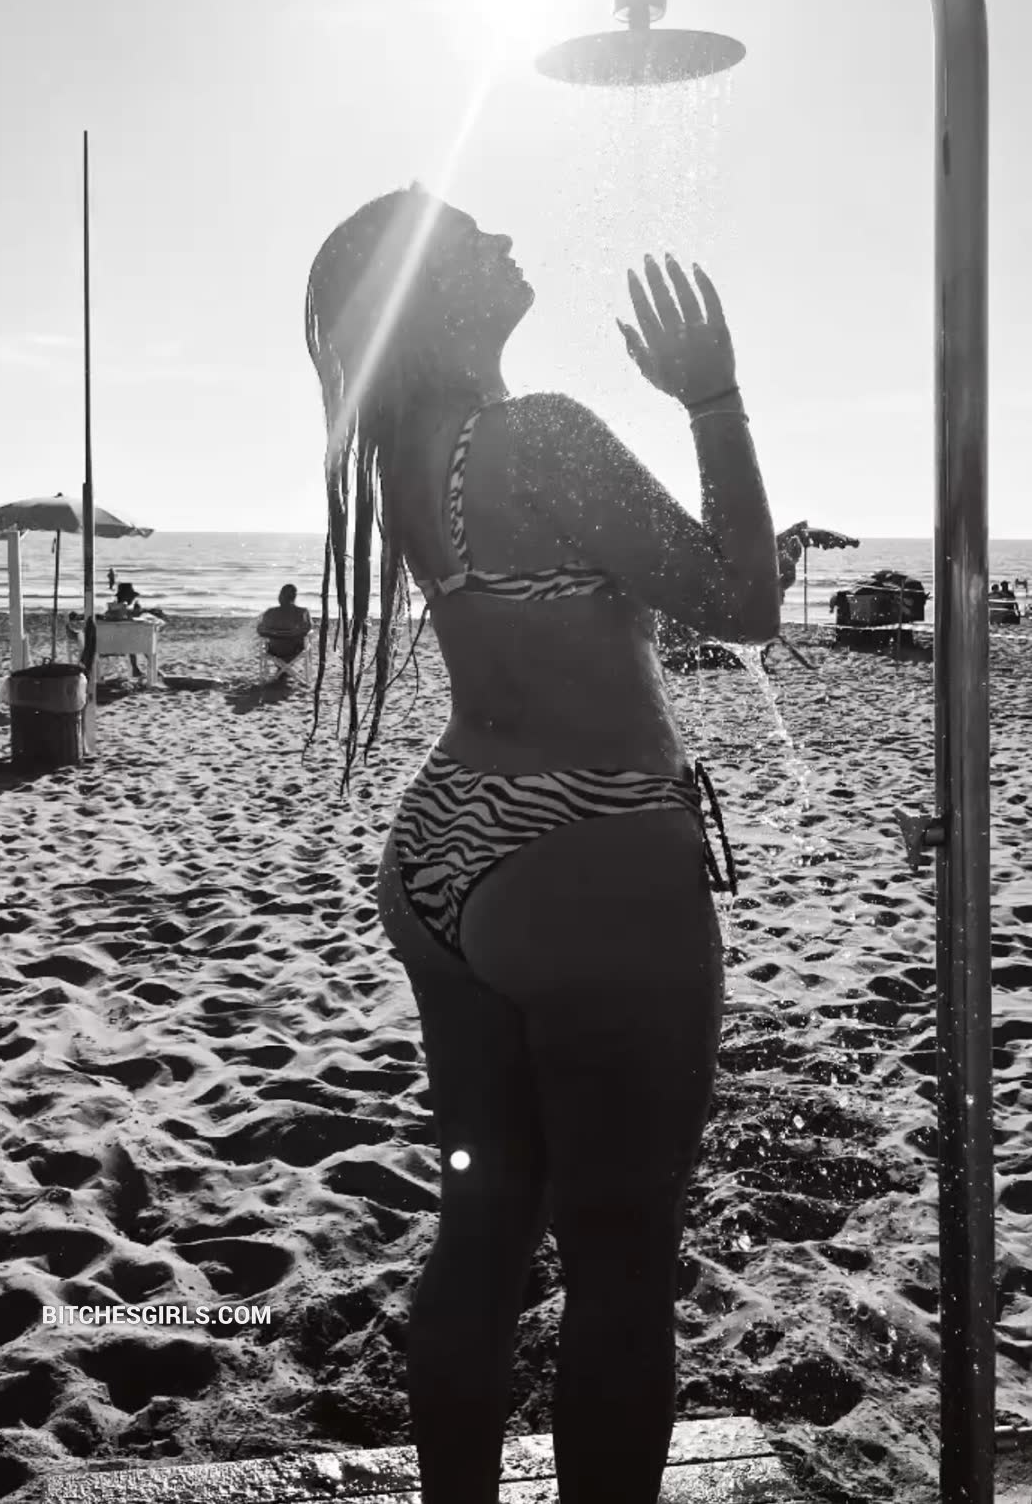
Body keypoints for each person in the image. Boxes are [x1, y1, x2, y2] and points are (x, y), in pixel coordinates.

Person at [305, 186, 779, 1504]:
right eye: (469, 238)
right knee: (621, 1260)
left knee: (484, 1222)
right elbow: (744, 602)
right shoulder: (537, 435)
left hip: (445, 841)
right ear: (424, 297)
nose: (505, 242)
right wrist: (712, 398)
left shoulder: (415, 453)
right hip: (588, 840)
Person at [256, 583, 312, 664]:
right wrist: (290, 634)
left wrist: (276, 634)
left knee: (275, 643)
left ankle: (282, 668)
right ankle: (284, 668)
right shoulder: (302, 612)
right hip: (294, 650)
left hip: (274, 650)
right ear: (294, 597)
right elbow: (307, 629)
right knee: (305, 641)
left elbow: (260, 630)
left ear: (280, 596)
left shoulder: (270, 612)